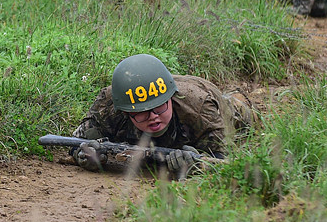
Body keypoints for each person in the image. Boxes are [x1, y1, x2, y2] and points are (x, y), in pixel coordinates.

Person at [71, 54, 254, 178]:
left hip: (221, 105)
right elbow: (75, 141)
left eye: (159, 108)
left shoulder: (200, 109)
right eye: (141, 112)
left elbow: (225, 160)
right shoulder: (110, 105)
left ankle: (237, 95)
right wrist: (84, 154)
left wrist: (198, 164)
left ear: (170, 100)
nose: (153, 117)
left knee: (245, 116)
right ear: (125, 112)